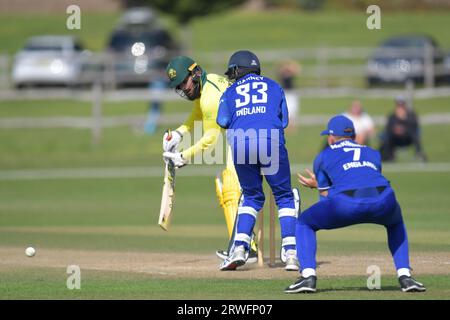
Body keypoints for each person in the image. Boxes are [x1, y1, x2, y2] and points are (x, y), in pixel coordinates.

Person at [284, 115, 426, 293]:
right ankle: (405, 276)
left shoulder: (323, 155)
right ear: (354, 136)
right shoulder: (373, 153)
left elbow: (327, 199)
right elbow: (368, 183)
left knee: (305, 222)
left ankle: (307, 277)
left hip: (345, 203)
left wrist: (317, 186)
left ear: (331, 137)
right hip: (384, 198)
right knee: (395, 222)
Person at [161, 56, 259, 263]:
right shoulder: (209, 83)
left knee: (231, 188)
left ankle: (246, 249)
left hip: (246, 136)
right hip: (249, 133)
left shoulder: (210, 98)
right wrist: (179, 133)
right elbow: (198, 112)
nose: (183, 89)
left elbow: (211, 140)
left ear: (194, 74)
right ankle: (243, 247)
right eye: (178, 86)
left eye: (183, 83)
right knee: (227, 186)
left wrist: (183, 157)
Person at [216, 50, 299, 271]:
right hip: (271, 140)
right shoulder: (274, 86)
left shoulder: (230, 91)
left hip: (241, 143)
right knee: (283, 195)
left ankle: (239, 249)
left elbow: (222, 120)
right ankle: (290, 253)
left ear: (238, 70)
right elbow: (284, 121)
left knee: (252, 196)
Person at [379, 96, 427, 162]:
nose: (400, 107)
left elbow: (415, 125)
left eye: (402, 104)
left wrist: (404, 119)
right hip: (395, 138)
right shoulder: (392, 116)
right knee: (387, 135)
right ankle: (387, 156)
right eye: (398, 105)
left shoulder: (411, 114)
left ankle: (419, 154)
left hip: (407, 138)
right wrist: (395, 129)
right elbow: (388, 127)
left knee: (414, 133)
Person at [277, 60, 300, 131]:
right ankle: (288, 127)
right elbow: (279, 70)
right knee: (288, 110)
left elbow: (297, 69)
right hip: (286, 93)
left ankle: (293, 126)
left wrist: (290, 65)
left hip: (292, 93)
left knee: (293, 110)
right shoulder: (282, 75)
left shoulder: (291, 74)